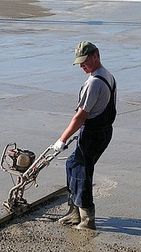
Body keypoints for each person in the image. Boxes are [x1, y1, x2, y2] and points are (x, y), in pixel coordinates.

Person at [52, 41, 117, 230]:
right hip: (104, 131)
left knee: (81, 171)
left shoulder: (94, 82)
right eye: (79, 62)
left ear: (96, 55)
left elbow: (80, 116)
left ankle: (87, 218)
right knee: (72, 164)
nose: (82, 66)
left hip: (93, 134)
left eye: (85, 61)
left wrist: (61, 139)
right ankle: (74, 211)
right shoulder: (108, 75)